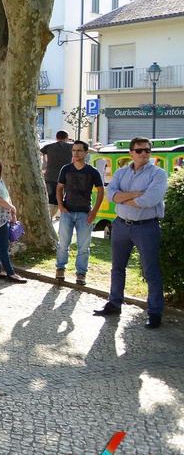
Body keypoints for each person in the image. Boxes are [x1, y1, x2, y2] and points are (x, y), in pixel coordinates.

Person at [94, 137, 168, 329]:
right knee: (117, 268)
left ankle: (154, 312)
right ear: (131, 152)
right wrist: (137, 193)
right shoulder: (121, 172)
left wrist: (123, 197)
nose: (144, 154)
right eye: (139, 150)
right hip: (121, 226)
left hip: (147, 227)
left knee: (150, 270)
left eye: (147, 150)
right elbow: (111, 195)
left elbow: (149, 201)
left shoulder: (158, 174)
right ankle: (114, 303)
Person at [55, 140, 105, 285]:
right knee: (63, 243)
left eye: (79, 150)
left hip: (85, 213)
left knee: (83, 246)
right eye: (74, 150)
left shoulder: (92, 171)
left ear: (86, 153)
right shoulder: (66, 169)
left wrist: (94, 211)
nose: (76, 153)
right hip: (67, 212)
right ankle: (60, 268)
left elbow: (100, 191)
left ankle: (81, 273)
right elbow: (59, 187)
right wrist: (60, 206)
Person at [0, 157, 27, 282]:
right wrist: (12, 208)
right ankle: (10, 273)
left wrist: (12, 213)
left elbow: (6, 197)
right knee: (3, 246)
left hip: (4, 215)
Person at [41, 130, 74, 219]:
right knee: (65, 199)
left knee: (51, 200)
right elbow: (89, 149)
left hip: (50, 177)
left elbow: (38, 153)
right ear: (67, 138)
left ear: (56, 138)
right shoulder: (71, 146)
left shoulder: (49, 147)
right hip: (66, 178)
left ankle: (49, 219)